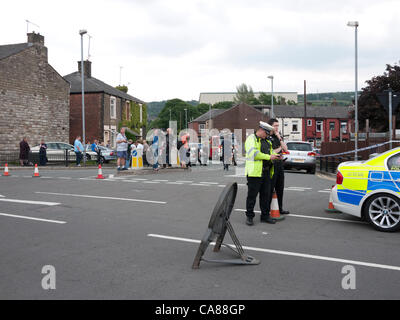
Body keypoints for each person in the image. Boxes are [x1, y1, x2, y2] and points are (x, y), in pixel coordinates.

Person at [244, 121, 281, 226]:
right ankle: (249, 217)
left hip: (266, 171)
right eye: (266, 133)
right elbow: (254, 154)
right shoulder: (251, 139)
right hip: (254, 173)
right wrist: (269, 157)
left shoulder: (266, 141)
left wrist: (276, 156)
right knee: (252, 196)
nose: (267, 136)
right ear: (261, 130)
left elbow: (270, 152)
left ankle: (265, 216)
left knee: (265, 196)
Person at [268, 118, 290, 216]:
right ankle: (268, 209)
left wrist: (279, 137)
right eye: (275, 125)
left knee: (280, 187)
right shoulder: (268, 137)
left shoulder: (278, 136)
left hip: (280, 164)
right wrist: (280, 148)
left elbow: (286, 148)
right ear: (270, 126)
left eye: (278, 125)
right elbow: (272, 152)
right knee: (270, 187)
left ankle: (279, 208)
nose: (277, 127)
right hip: (272, 164)